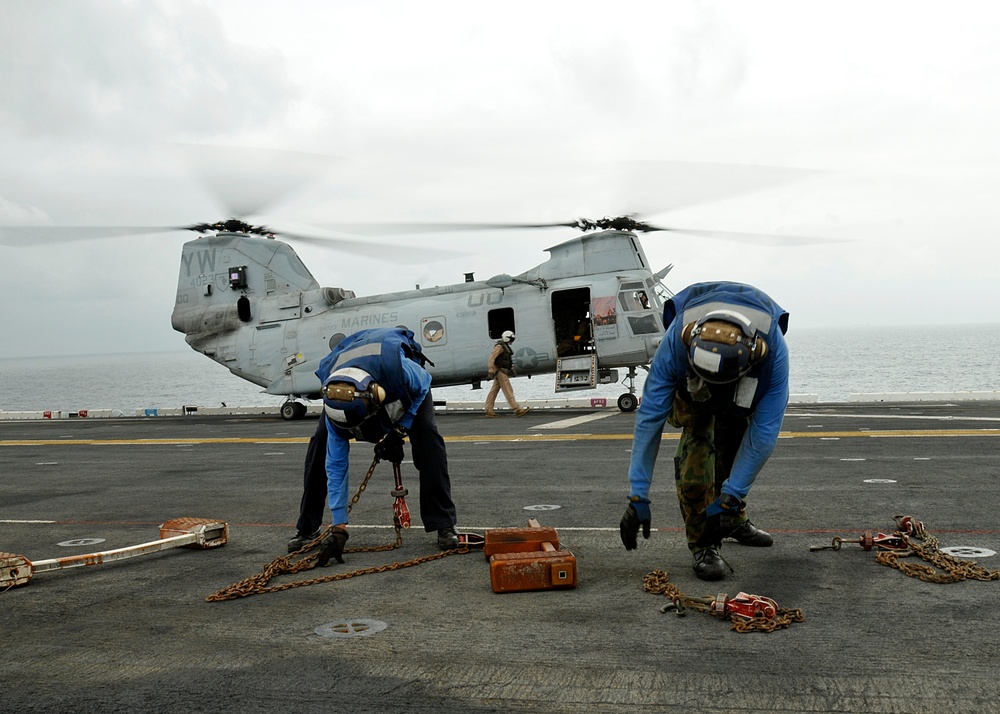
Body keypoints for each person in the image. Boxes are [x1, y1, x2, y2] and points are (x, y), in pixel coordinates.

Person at [619, 282, 789, 581]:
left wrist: (731, 496)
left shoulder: (773, 355)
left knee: (736, 438)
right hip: (692, 392)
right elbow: (650, 419)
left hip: (741, 391)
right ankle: (704, 545)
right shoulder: (675, 346)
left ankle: (732, 517)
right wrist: (637, 495)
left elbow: (763, 434)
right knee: (698, 453)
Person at [286, 327, 460, 562]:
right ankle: (307, 527)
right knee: (319, 447)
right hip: (354, 392)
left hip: (402, 387)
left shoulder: (400, 372)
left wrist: (400, 429)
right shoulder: (334, 404)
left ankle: (444, 524)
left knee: (429, 441)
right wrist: (339, 526)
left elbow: (424, 383)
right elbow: (336, 468)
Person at [484, 330, 529, 417]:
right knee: (508, 390)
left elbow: (506, 360)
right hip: (500, 371)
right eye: (511, 340)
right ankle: (517, 409)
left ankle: (489, 409)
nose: (511, 342)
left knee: (494, 391)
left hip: (502, 370)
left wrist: (511, 369)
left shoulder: (504, 347)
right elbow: (491, 358)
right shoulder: (499, 347)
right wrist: (491, 370)